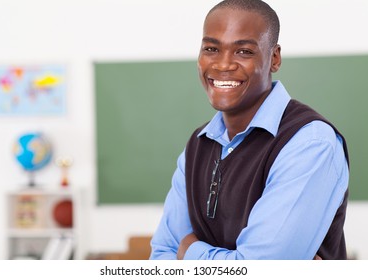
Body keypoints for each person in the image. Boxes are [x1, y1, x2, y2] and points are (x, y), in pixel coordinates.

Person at [150, 0, 349, 260]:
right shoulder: (197, 146)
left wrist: (189, 251)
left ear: (274, 58)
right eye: (211, 48)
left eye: (243, 51)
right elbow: (161, 257)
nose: (223, 65)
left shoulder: (310, 143)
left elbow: (258, 270)